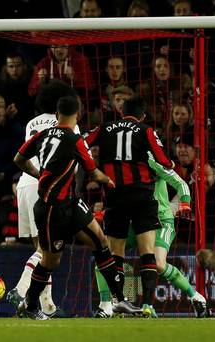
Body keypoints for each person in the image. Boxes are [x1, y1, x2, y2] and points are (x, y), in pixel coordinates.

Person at [14, 95, 138, 320]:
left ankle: (119, 300)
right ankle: (30, 303)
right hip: (53, 209)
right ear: (78, 114)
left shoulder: (42, 134)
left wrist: (38, 173)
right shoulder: (74, 139)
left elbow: (19, 159)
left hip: (70, 203)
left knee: (101, 242)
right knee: (51, 261)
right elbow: (93, 172)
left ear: (57, 113)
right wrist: (109, 180)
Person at [84, 96, 176, 318]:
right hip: (142, 197)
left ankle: (117, 302)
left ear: (121, 111)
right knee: (148, 253)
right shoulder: (146, 130)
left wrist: (94, 168)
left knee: (116, 254)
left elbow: (82, 143)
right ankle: (148, 305)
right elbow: (164, 161)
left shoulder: (104, 128)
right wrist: (169, 164)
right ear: (143, 115)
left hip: (114, 196)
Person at [92, 153, 208, 318]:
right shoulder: (118, 165)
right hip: (135, 221)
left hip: (161, 221)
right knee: (104, 259)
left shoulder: (151, 161)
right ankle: (106, 306)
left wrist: (185, 203)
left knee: (158, 263)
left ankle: (195, 296)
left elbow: (180, 183)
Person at [5, 80, 79, 318]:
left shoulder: (31, 123)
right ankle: (20, 289)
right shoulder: (66, 123)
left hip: (26, 182)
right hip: (49, 186)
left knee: (41, 247)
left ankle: (47, 305)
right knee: (48, 249)